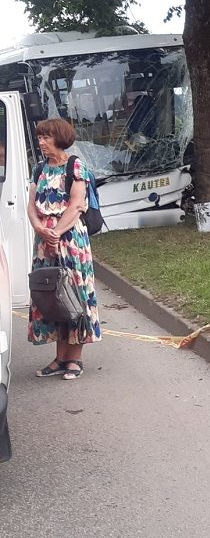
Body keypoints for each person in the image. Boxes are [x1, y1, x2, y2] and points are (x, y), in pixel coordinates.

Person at [27, 118, 102, 380]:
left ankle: (75, 359)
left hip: (70, 240)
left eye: (46, 137)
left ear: (59, 137)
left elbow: (76, 204)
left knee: (74, 294)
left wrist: (55, 233)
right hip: (45, 243)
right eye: (39, 138)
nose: (41, 142)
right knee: (51, 295)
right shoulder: (38, 169)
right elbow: (31, 205)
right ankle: (60, 358)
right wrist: (40, 229)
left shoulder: (75, 166)